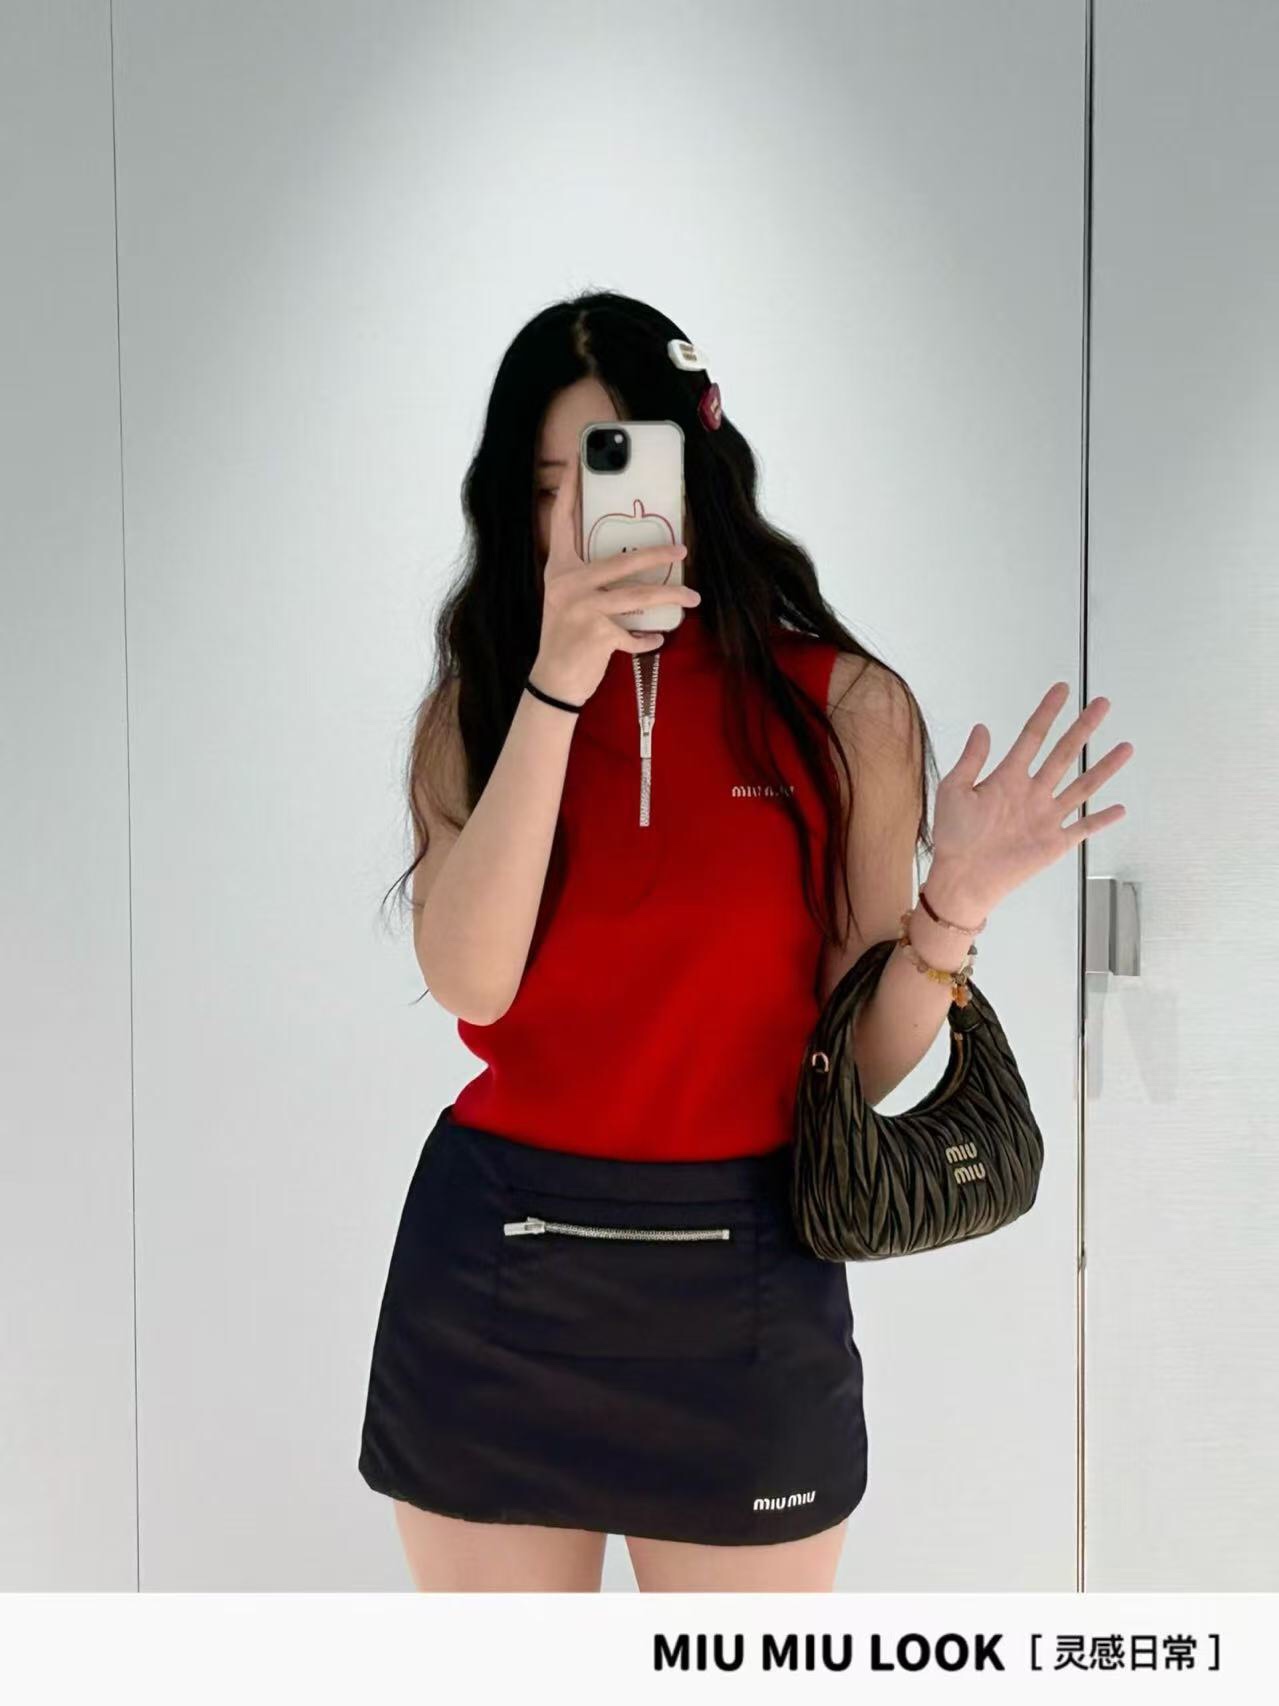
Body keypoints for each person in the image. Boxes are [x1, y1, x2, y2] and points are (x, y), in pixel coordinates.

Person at [356, 290, 1131, 1592]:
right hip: (493, 1279)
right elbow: (470, 980)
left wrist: (956, 902)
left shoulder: (845, 710)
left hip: (748, 1282)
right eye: (546, 487)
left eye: (615, 471)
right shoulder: (479, 704)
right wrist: (555, 686)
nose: (582, 518)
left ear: (694, 471)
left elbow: (857, 1067)